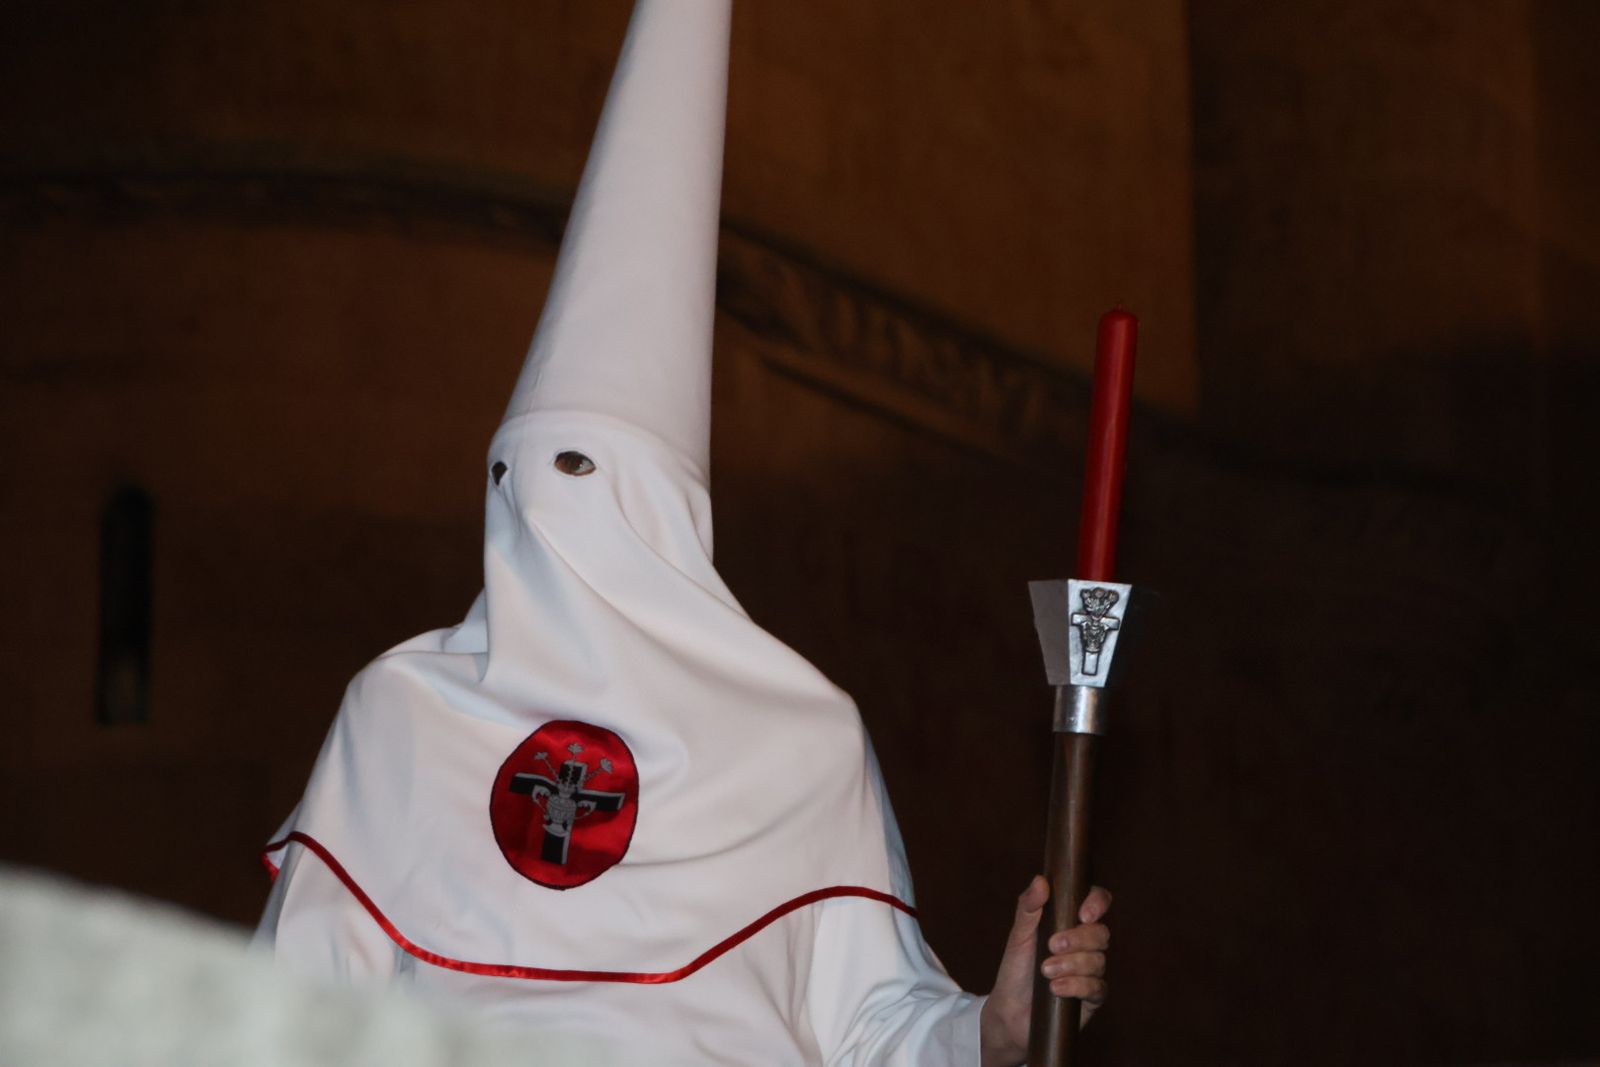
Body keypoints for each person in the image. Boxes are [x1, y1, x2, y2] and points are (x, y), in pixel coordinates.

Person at [254, 3, 1109, 1064]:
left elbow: (874, 1026)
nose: (546, 509)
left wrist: (995, 1025)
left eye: (588, 473)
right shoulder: (404, 710)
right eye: (518, 475)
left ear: (668, 507)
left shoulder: (795, 735)